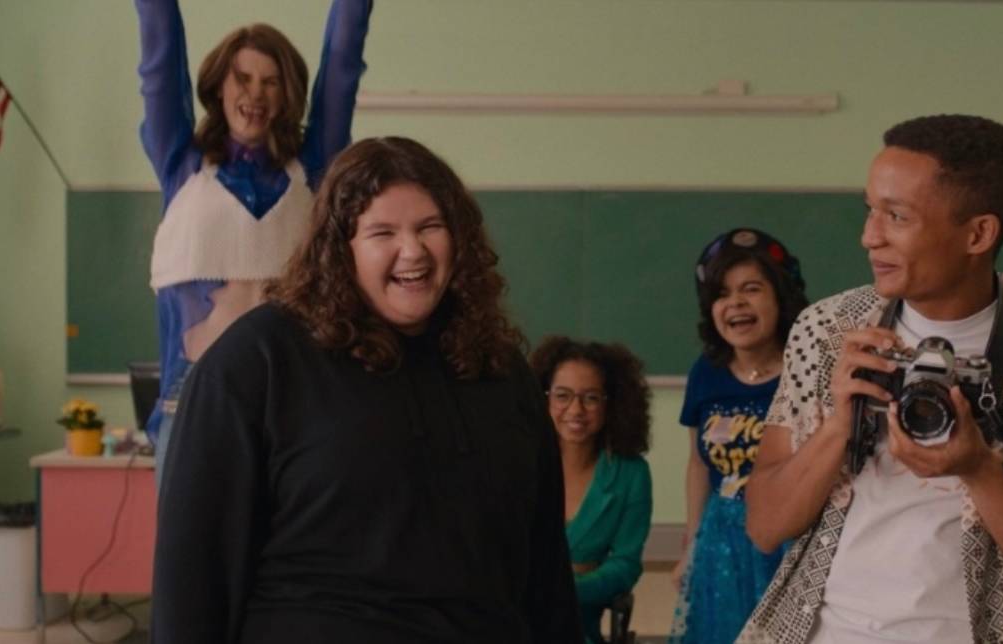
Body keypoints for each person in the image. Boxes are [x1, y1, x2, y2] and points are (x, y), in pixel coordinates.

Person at [150, 137, 582, 643]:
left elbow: (546, 569)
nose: (413, 251)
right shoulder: (257, 363)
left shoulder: (501, 370)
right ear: (341, 248)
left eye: (430, 227)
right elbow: (194, 575)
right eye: (383, 232)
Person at [738, 114, 1003, 644]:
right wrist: (835, 429)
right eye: (870, 210)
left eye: (896, 216)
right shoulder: (828, 330)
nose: (868, 237)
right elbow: (764, 527)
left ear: (978, 233)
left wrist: (981, 472)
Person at [134, 0, 372, 478]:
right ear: (219, 87)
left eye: (271, 81)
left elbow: (343, 64)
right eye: (243, 78)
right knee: (190, 553)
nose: (255, 93)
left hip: (291, 405)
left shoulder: (313, 166)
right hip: (191, 401)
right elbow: (159, 62)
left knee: (287, 551)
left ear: (287, 94)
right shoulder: (183, 164)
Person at [667, 228, 809, 644]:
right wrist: (692, 545)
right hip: (721, 543)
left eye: (752, 289)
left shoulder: (807, 371)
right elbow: (698, 462)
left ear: (780, 298)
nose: (736, 304)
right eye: (722, 293)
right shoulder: (706, 373)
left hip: (788, 541)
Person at [530, 336, 653, 644]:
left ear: (612, 402)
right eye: (562, 395)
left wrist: (568, 588)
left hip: (578, 622)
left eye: (591, 398)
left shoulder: (631, 473)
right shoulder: (520, 462)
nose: (575, 409)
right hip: (514, 617)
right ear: (542, 398)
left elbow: (625, 564)